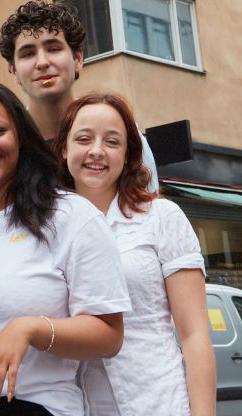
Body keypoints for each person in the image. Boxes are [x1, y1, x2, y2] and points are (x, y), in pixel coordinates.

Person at [0, 79, 131, 416]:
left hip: (34, 407)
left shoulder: (70, 217)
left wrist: (28, 328)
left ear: (20, 135)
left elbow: (109, 335)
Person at [52, 93, 216, 416]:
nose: (97, 151)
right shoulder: (46, 229)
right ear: (64, 148)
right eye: (84, 139)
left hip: (159, 403)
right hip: (77, 406)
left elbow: (195, 335)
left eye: (112, 142)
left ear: (127, 155)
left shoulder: (161, 218)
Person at [0, 0, 159, 192]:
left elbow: (146, 211)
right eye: (28, 54)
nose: (42, 62)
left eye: (54, 49)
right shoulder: (5, 143)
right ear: (13, 71)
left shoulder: (124, 135)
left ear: (78, 59)